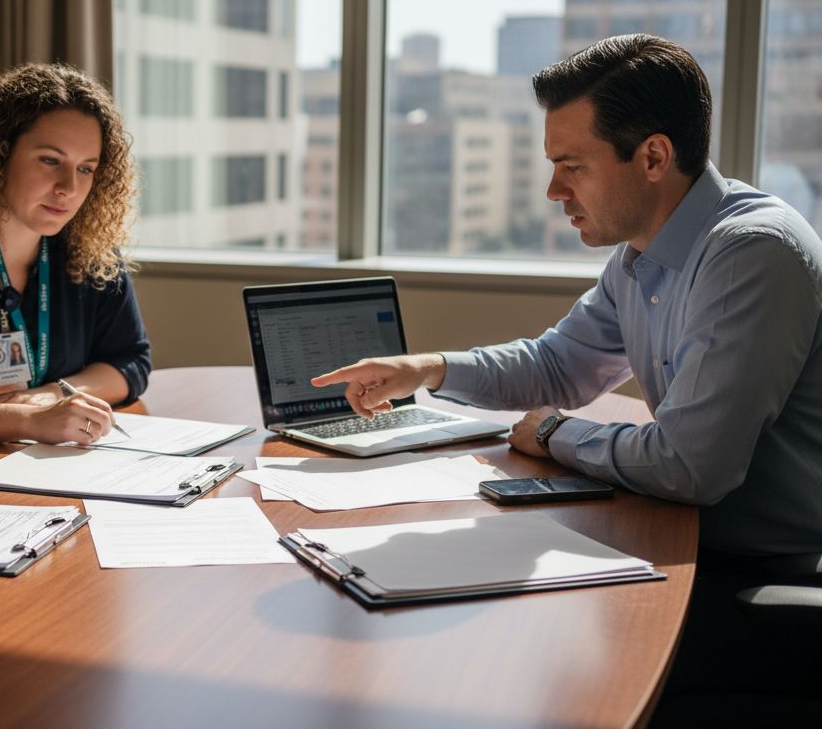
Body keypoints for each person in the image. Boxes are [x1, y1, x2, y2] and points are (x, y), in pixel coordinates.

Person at [312, 35, 822, 709]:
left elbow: (691, 466)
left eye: (572, 167)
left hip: (752, 573)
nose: (554, 190)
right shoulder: (642, 256)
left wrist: (555, 434)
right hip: (684, 538)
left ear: (653, 157)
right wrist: (428, 369)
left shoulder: (749, 252)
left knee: (504, 663)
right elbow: (560, 364)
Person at [0, 62, 151, 445]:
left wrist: (52, 395)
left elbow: (131, 361)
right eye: (51, 160)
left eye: (86, 169)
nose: (69, 187)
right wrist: (29, 419)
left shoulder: (89, 247)